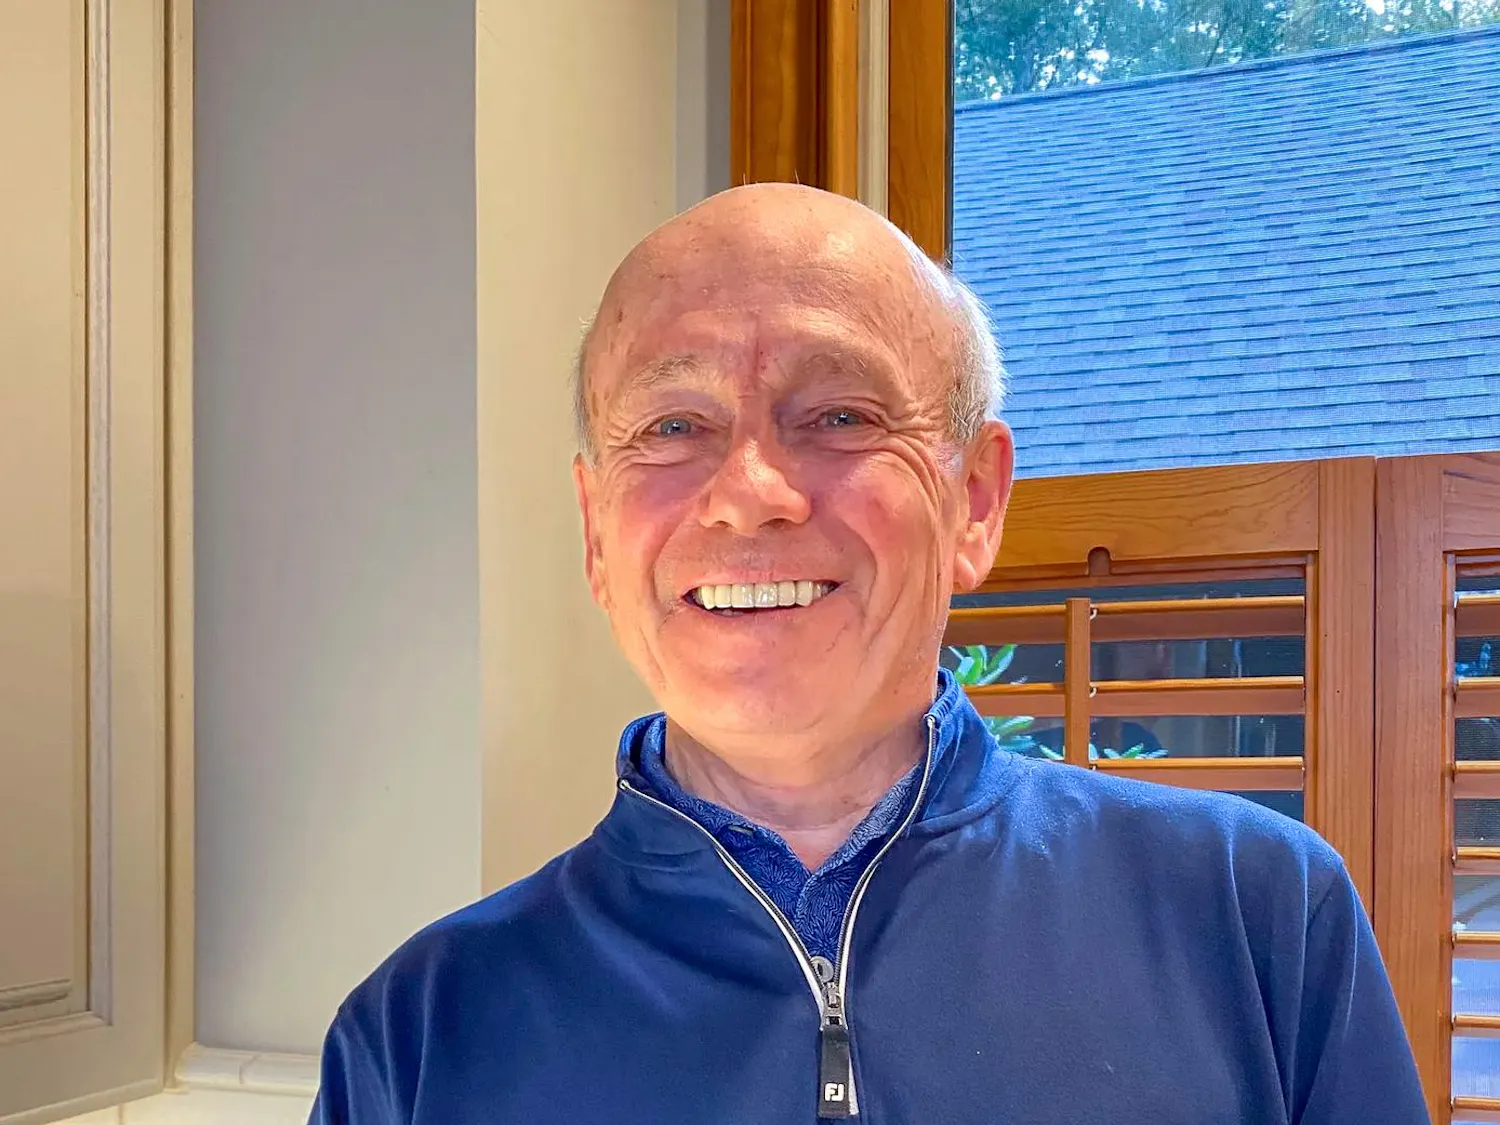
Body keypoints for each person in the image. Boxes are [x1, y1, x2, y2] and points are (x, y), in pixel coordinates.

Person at [309, 183, 1429, 1123]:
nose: (750, 492)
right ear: (597, 533)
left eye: (839, 415)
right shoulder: (419, 1035)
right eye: (672, 426)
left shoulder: (1256, 921)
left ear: (975, 500)